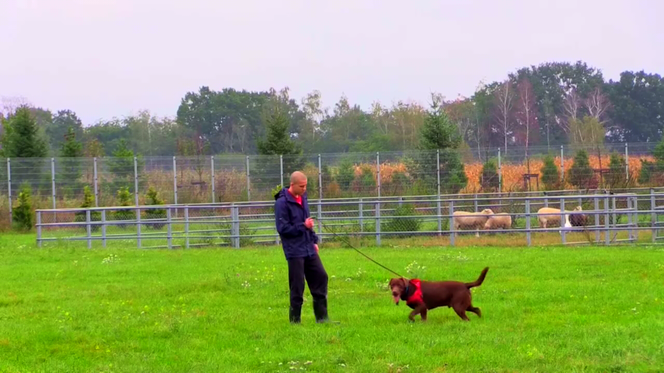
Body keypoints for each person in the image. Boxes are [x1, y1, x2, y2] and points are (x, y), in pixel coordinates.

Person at [274, 171, 334, 324]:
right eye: (301, 186)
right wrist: (303, 226)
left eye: (306, 186)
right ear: (292, 185)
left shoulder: (303, 198)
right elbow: (283, 228)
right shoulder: (282, 203)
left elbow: (308, 221)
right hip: (294, 250)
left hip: (308, 247)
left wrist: (314, 240)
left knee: (321, 276)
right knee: (298, 285)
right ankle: (295, 321)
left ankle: (322, 318)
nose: (304, 189)